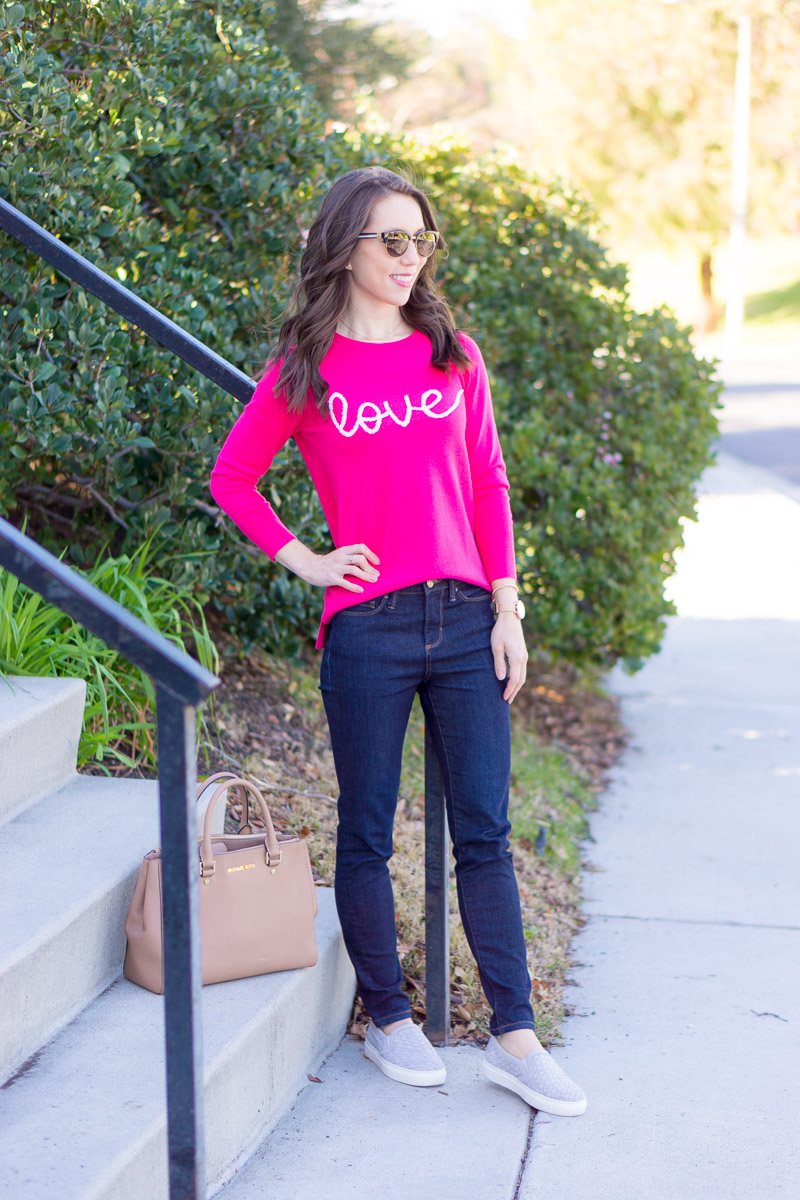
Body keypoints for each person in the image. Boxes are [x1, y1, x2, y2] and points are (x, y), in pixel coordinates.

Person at [209, 166, 587, 1118]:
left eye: (420, 239)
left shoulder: (451, 354)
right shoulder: (307, 364)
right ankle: (388, 1017)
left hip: (466, 621)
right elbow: (235, 477)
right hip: (367, 629)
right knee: (367, 834)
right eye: (389, 239)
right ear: (344, 246)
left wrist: (508, 608)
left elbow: (489, 484)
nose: (408, 256)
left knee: (487, 835)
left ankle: (515, 1036)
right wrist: (309, 561)